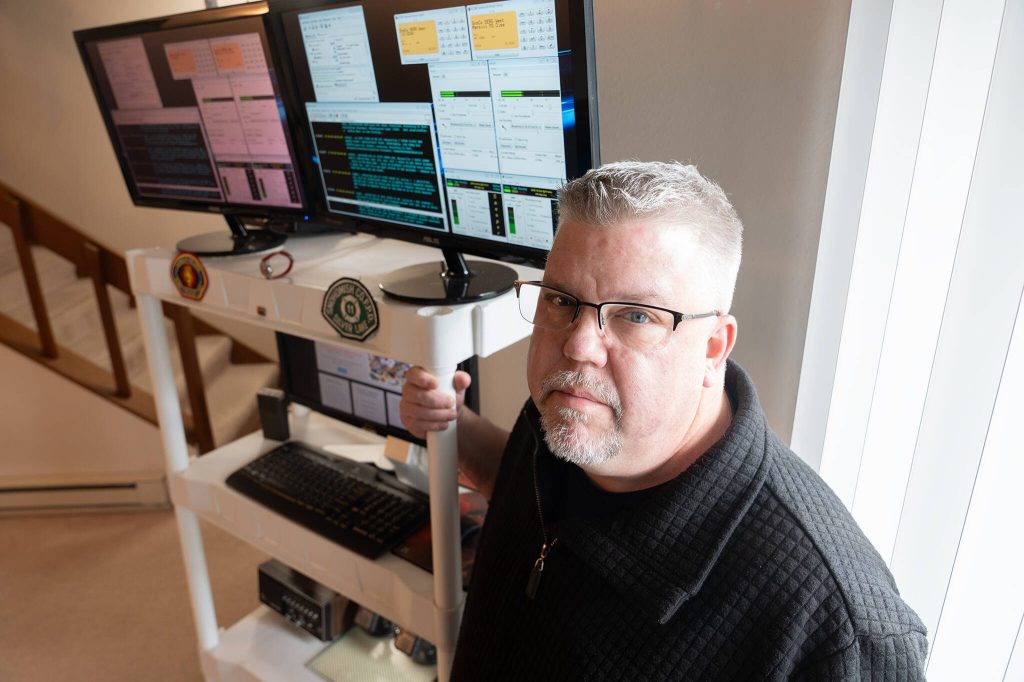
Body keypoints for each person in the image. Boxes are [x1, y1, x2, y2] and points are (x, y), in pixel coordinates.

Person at [400, 161, 927, 680]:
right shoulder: (570, 412)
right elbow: (528, 494)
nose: (578, 346)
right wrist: (452, 425)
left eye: (636, 315)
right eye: (561, 300)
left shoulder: (833, 631)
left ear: (713, 348)